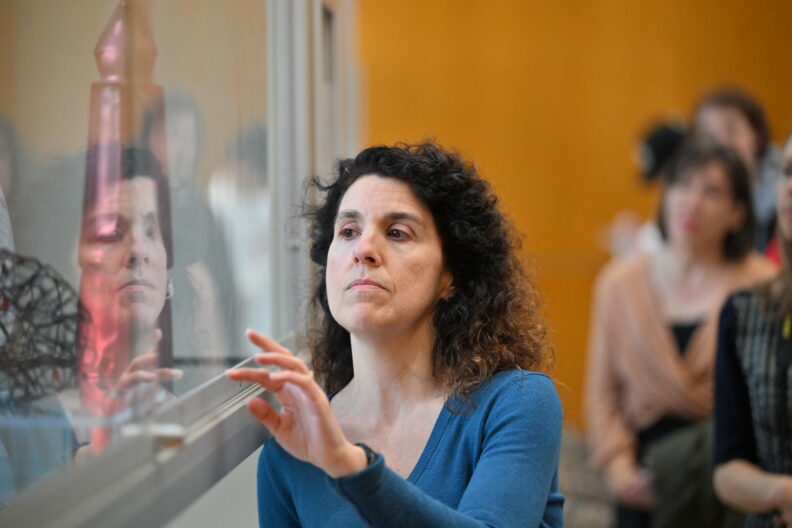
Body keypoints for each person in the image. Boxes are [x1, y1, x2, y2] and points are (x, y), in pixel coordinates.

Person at [227, 142, 564, 527]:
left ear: (449, 276)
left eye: (398, 232)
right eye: (349, 230)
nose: (364, 249)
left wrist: (352, 468)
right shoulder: (291, 447)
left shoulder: (516, 403)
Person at [586, 138, 776, 528]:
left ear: (738, 212)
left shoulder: (764, 285)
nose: (692, 202)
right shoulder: (619, 284)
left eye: (712, 191)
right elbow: (602, 396)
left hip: (730, 478)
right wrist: (622, 475)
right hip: (641, 477)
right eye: (681, 184)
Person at [75, 145, 181, 451]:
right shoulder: (37, 420)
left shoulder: (194, 410)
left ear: (169, 275)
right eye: (111, 232)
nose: (137, 250)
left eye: (151, 231)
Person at [713, 133, 792, 528]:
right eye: (788, 172)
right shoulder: (744, 314)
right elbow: (728, 471)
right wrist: (781, 493)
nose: (791, 187)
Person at [693, 88, 780, 253]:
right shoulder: (691, 195)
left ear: (758, 136)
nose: (721, 143)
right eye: (708, 136)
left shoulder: (784, 188)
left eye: (731, 130)